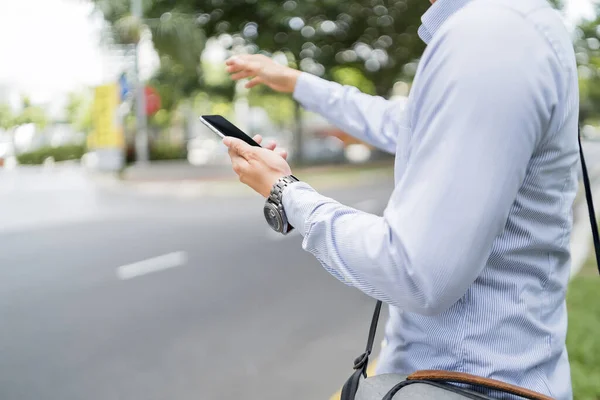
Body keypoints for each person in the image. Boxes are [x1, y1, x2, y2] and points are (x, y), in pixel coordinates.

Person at [222, 0, 579, 398]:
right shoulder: (508, 23)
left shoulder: (490, 35)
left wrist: (287, 194)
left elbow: (415, 273)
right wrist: (293, 81)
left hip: (467, 385)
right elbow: (403, 124)